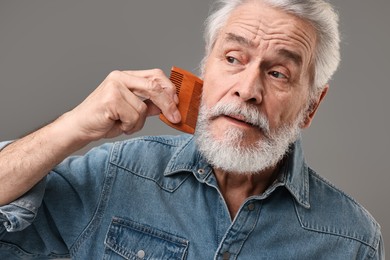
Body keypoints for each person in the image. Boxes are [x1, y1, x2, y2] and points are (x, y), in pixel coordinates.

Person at [0, 0, 384, 259]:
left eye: (278, 73)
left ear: (311, 106)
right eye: (233, 58)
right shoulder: (118, 173)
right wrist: (70, 128)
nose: (247, 90)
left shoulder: (352, 239)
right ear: (206, 67)